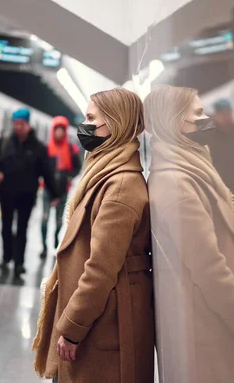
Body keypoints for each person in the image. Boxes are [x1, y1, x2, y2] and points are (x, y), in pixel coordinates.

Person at [144, 85, 234, 383]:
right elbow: (208, 266)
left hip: (211, 319)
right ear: (174, 120)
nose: (208, 120)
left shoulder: (188, 169)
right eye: (199, 113)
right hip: (210, 323)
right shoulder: (177, 184)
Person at [32, 88, 154, 383]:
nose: (84, 126)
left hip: (102, 323)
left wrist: (72, 327)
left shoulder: (121, 187)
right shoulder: (107, 173)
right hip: (102, 319)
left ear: (115, 122)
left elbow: (100, 269)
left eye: (91, 118)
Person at [0, 108, 59, 276]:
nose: (18, 127)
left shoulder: (38, 148)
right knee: (6, 227)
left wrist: (54, 194)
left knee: (22, 229)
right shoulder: (4, 142)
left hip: (27, 196)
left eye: (21, 124)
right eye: (15, 124)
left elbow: (46, 172)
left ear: (28, 125)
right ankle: (6, 257)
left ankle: (19, 263)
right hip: (6, 194)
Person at [198, 98, 234, 241]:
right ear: (216, 115)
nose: (227, 117)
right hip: (220, 184)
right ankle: (231, 245)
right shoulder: (209, 134)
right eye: (223, 114)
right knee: (225, 215)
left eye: (229, 113)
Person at [40, 116, 82, 259]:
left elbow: (78, 166)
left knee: (59, 221)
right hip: (47, 190)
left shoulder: (71, 149)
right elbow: (42, 167)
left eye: (62, 130)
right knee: (44, 219)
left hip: (63, 190)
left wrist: (68, 176)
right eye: (57, 130)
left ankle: (56, 239)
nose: (59, 133)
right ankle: (44, 247)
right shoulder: (47, 148)